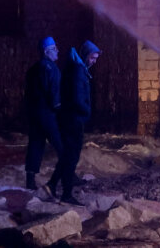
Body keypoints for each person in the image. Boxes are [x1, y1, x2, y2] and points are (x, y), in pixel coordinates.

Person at [50, 40, 100, 205]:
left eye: (96, 58)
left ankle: (51, 185)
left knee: (67, 155)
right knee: (72, 156)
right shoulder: (78, 71)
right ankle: (66, 194)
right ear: (85, 55)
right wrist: (87, 111)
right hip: (74, 120)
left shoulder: (75, 68)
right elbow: (78, 98)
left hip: (69, 119)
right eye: (92, 58)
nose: (94, 62)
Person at [24, 36, 63, 191]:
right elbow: (54, 95)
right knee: (62, 146)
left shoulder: (32, 69)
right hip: (48, 114)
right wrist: (59, 111)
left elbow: (27, 94)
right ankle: (68, 177)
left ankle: (30, 181)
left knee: (35, 144)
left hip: (34, 115)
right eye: (54, 49)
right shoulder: (52, 68)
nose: (57, 51)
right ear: (47, 51)